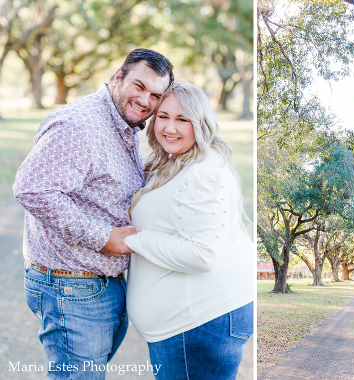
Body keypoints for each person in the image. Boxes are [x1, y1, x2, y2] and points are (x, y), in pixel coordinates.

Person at [13, 49, 173, 379]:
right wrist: (103, 238)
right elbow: (32, 188)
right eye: (139, 86)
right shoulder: (82, 125)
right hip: (72, 290)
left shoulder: (121, 125)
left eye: (156, 95)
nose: (145, 100)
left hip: (96, 288)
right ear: (118, 76)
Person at [123, 81, 253, 380]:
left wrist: (134, 239)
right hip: (187, 327)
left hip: (199, 325)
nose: (170, 128)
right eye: (163, 116)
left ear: (200, 123)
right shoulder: (176, 161)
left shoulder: (203, 173)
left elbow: (202, 254)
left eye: (183, 119)